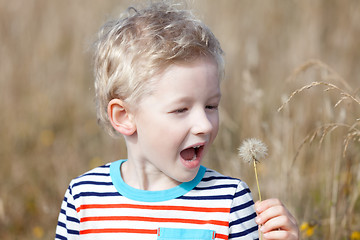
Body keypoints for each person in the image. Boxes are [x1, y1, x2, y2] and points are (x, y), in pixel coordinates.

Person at [55, 2, 299, 239]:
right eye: (181, 109)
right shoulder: (84, 199)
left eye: (211, 106)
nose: (204, 125)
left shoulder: (229, 201)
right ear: (124, 116)